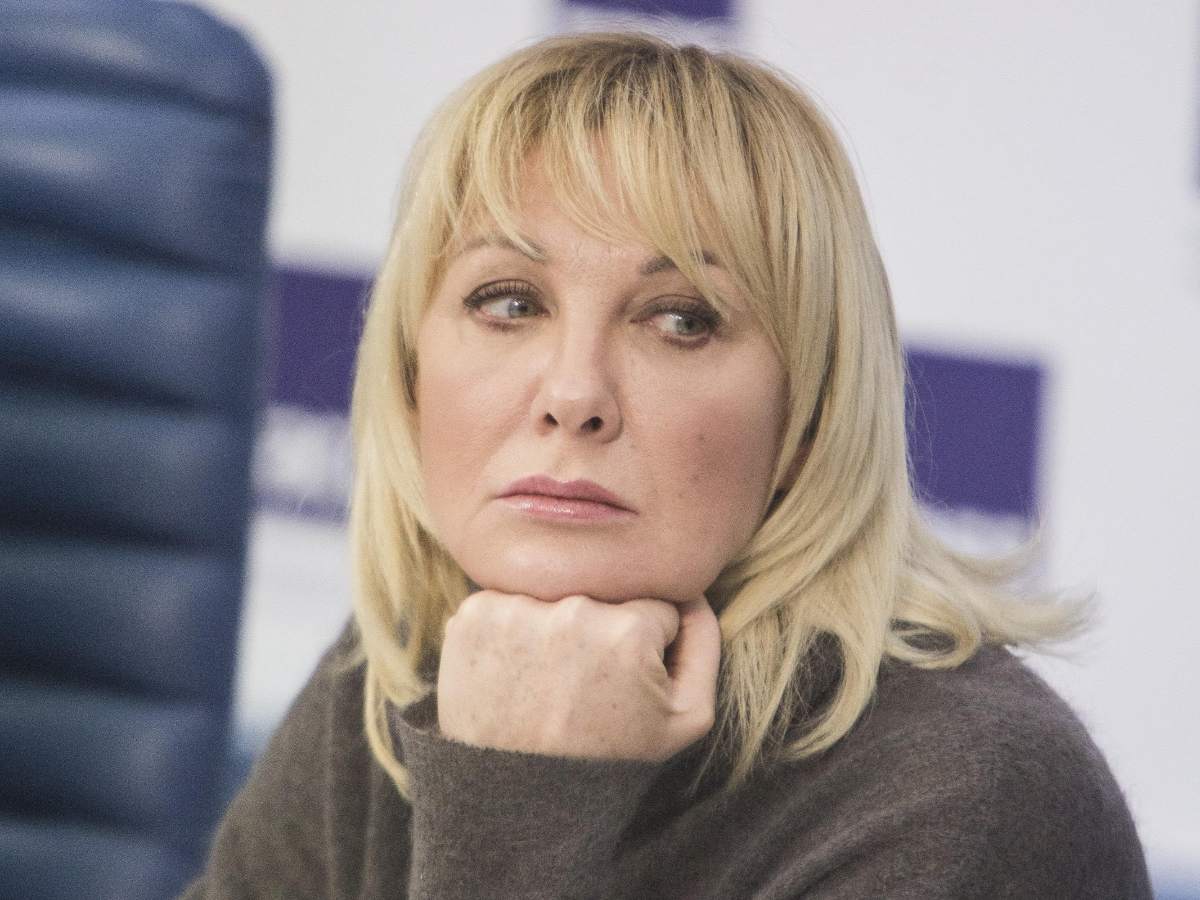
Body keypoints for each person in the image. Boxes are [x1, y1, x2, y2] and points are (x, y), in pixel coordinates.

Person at [185, 31, 1151, 899]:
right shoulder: (401, 663)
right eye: (510, 302)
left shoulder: (967, 793)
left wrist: (515, 801)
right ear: (408, 377)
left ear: (807, 417)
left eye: (681, 320)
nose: (574, 393)